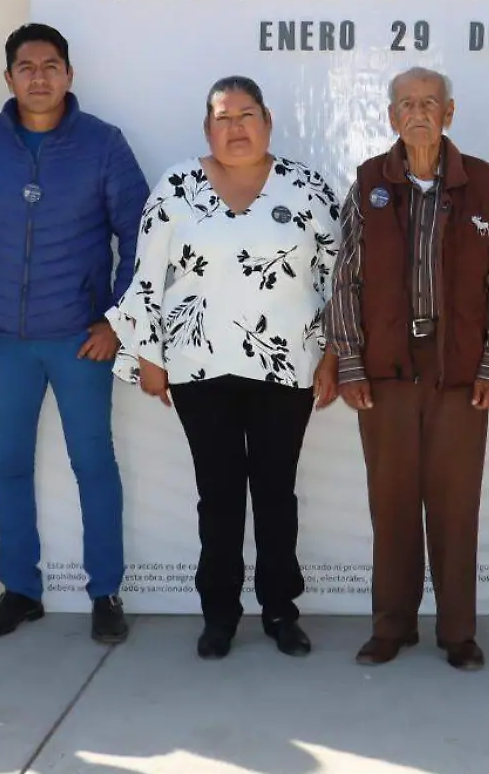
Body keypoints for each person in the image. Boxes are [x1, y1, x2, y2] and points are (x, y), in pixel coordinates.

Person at [107, 76, 340, 660]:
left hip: (286, 366)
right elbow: (147, 276)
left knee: (275, 492)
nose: (235, 127)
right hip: (198, 367)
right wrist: (148, 356)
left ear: (268, 120)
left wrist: (336, 354)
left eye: (246, 114)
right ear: (206, 127)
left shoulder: (307, 188)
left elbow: (339, 279)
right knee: (218, 494)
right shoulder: (178, 187)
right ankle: (219, 613)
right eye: (222, 117)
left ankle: (281, 610)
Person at [0, 22, 148, 643]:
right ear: (8, 78)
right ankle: (20, 591)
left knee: (94, 464)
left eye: (50, 65)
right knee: (8, 467)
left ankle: (105, 592)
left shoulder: (103, 145)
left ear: (69, 75)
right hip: (0, 341)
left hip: (77, 340)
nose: (39, 76)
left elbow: (142, 236)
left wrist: (115, 318)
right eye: (26, 67)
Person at [326, 67, 489, 671]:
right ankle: (393, 626)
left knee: (455, 507)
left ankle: (458, 632)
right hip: (385, 372)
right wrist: (351, 364)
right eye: (406, 103)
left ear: (449, 113)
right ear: (390, 117)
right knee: (391, 504)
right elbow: (344, 281)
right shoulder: (368, 186)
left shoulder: (482, 185)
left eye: (429, 103)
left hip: (459, 373)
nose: (418, 112)